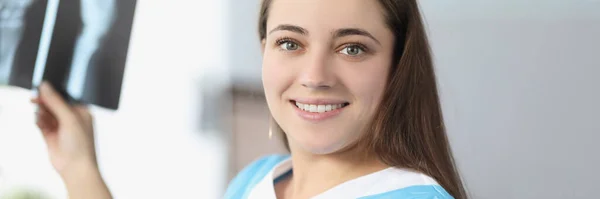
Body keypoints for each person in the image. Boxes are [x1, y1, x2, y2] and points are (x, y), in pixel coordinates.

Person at [31, 0, 468, 198]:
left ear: (397, 63)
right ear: (264, 51)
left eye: (352, 48)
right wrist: (78, 167)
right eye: (290, 43)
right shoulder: (256, 182)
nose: (314, 77)